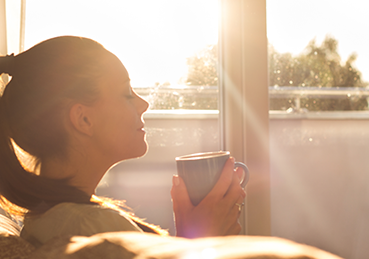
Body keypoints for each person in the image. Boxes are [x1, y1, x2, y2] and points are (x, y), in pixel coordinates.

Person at [0, 36, 246, 246]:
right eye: (127, 94)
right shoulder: (93, 228)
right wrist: (201, 240)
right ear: (83, 119)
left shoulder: (52, 218)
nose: (144, 104)